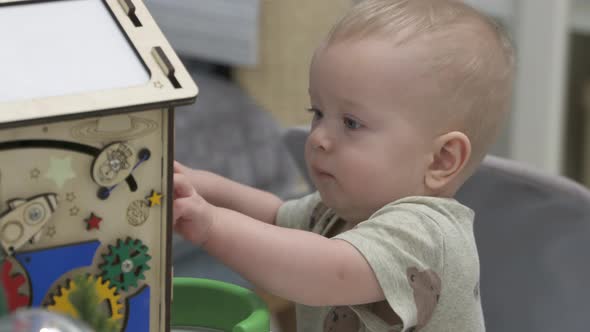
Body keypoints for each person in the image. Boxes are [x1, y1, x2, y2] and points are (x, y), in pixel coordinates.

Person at [173, 0, 515, 331]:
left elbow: (323, 272)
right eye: (317, 113)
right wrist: (204, 186)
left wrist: (211, 225)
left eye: (351, 123)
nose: (320, 137)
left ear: (441, 159)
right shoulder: (344, 210)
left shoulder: (425, 234)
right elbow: (277, 217)